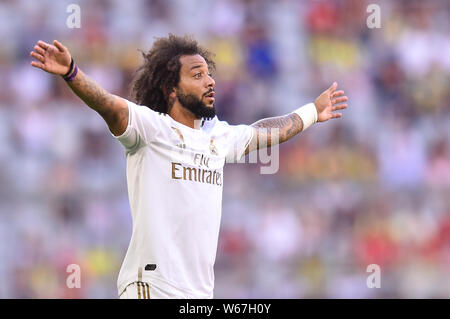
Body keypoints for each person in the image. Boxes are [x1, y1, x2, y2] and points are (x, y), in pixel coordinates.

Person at [29, 34, 348, 299]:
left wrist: (310, 113)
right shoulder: (152, 129)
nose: (209, 81)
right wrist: (72, 73)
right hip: (151, 287)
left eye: (209, 74)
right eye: (197, 75)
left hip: (198, 295)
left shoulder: (218, 137)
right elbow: (110, 106)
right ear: (171, 89)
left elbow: (263, 131)